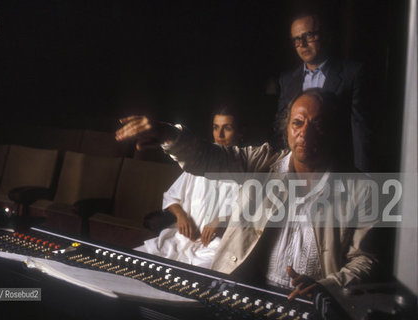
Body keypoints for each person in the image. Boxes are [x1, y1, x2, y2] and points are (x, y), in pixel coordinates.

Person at [116, 88, 378, 300]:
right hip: (249, 293)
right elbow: (208, 157)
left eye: (318, 125)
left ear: (334, 131)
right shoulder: (264, 164)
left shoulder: (362, 189)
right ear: (287, 129)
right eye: (297, 123)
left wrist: (327, 287)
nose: (304, 134)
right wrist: (166, 132)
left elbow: (365, 260)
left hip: (310, 306)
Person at [135, 108, 241, 269]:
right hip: (181, 240)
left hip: (216, 248)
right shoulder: (201, 164)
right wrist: (181, 215)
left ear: (240, 131)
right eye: (215, 127)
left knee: (188, 278)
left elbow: (253, 215)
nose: (219, 135)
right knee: (137, 260)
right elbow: (171, 197)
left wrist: (222, 220)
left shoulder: (249, 167)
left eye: (227, 128)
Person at [277, 8, 371, 172]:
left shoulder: (352, 74)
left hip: (338, 171)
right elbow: (284, 132)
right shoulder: (287, 80)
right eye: (297, 39)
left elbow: (360, 133)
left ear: (326, 35)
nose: (303, 44)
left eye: (309, 36)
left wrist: (364, 177)